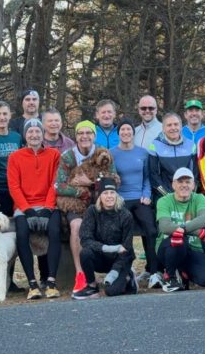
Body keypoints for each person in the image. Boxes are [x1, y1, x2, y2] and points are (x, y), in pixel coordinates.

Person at [56, 120, 118, 295]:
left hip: (100, 202)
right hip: (76, 205)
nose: (84, 136)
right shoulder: (68, 156)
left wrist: (89, 184)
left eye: (88, 133)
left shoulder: (103, 153)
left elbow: (113, 182)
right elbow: (58, 186)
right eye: (80, 133)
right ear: (75, 137)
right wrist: (80, 193)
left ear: (94, 135)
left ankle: (116, 270)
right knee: (76, 226)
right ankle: (81, 274)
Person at [7, 118, 63, 298]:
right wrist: (26, 209)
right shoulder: (15, 157)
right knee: (22, 233)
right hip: (24, 207)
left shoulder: (54, 155)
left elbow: (55, 183)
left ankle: (51, 281)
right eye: (30, 132)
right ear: (25, 135)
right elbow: (13, 186)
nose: (34, 135)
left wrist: (47, 208)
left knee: (55, 230)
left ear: (43, 134)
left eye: (37, 131)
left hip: (48, 204)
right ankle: (32, 283)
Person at [154, 167, 205, 292]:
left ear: (193, 185)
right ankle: (171, 277)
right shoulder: (164, 201)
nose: (184, 185)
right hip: (168, 248)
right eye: (180, 182)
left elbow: (203, 219)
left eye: (187, 182)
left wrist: (182, 228)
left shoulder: (199, 198)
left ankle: (184, 272)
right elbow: (165, 227)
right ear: (173, 185)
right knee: (178, 239)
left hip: (193, 248)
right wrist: (197, 231)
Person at [72, 178, 138, 299]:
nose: (109, 196)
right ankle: (91, 286)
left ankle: (129, 278)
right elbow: (85, 239)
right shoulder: (92, 211)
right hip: (100, 256)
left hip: (120, 259)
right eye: (105, 193)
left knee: (111, 292)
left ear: (117, 195)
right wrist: (108, 248)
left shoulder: (125, 215)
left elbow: (127, 248)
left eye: (112, 193)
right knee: (85, 253)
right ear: (99, 196)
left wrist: (114, 272)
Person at [110, 118, 157, 284]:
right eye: (122, 130)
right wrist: (115, 197)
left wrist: (147, 194)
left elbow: (147, 177)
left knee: (151, 230)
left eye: (128, 130)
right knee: (123, 233)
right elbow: (111, 179)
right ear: (118, 133)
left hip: (140, 198)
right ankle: (125, 271)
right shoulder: (111, 153)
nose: (126, 132)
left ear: (133, 132)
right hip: (121, 199)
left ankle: (153, 270)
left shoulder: (143, 153)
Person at [148, 112, 198, 200]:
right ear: (163, 128)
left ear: (181, 126)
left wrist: (189, 193)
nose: (173, 128)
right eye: (169, 125)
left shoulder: (191, 145)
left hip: (187, 194)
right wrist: (167, 195)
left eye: (176, 124)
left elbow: (195, 174)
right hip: (164, 196)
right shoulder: (155, 145)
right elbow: (154, 176)